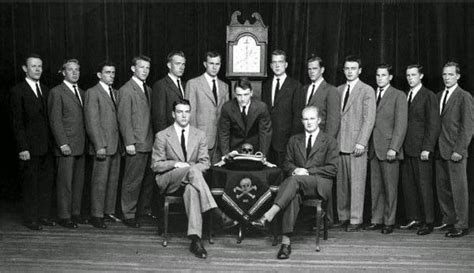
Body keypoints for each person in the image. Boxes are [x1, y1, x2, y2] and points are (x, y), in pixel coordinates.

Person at [151, 99, 237, 259]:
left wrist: (191, 170)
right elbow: (156, 165)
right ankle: (215, 211)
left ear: (190, 113)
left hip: (193, 182)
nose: (183, 115)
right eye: (179, 112)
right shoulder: (162, 135)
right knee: (191, 171)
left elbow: (205, 162)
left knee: (192, 189)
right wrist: (177, 164)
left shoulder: (199, 135)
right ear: (173, 114)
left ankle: (196, 240)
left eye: (186, 111)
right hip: (170, 180)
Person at [251, 106, 338, 259]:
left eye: (312, 118)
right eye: (305, 119)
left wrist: (308, 172)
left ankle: (269, 214)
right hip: (297, 184)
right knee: (293, 195)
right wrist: (295, 170)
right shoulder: (294, 140)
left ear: (319, 120)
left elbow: (332, 169)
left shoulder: (329, 140)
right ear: (301, 121)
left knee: (292, 182)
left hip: (319, 183)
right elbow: (287, 164)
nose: (309, 122)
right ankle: (285, 244)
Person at [10, 53, 56, 230]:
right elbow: (17, 123)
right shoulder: (18, 91)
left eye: (40, 66)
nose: (37, 69)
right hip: (29, 148)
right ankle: (31, 219)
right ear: (24, 69)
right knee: (31, 185)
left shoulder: (46, 90)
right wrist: (23, 147)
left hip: (47, 147)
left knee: (45, 184)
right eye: (33, 66)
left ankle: (43, 216)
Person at [365, 64, 407, 234]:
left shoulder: (398, 95)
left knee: (390, 188)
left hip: (389, 148)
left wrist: (394, 148)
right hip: (374, 148)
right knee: (376, 187)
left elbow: (401, 125)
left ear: (390, 77)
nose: (379, 78)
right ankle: (376, 219)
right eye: (377, 75)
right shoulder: (371, 94)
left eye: (383, 75)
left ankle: (389, 221)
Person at [336, 55, 376, 231]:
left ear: (359, 70)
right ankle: (343, 216)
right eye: (347, 68)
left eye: (353, 68)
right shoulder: (338, 90)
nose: (350, 71)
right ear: (344, 70)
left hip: (356, 145)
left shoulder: (366, 90)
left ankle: (355, 219)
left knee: (357, 183)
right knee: (342, 184)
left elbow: (369, 119)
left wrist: (362, 142)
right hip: (340, 143)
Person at [400, 64, 440, 235]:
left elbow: (433, 124)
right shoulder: (406, 95)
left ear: (421, 76)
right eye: (408, 75)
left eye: (413, 75)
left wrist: (427, 148)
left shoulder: (428, 95)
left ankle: (428, 221)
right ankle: (415, 218)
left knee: (424, 187)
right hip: (407, 148)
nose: (410, 78)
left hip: (421, 149)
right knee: (409, 187)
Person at [434, 61, 473, 238]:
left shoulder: (464, 96)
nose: (447, 77)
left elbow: (468, 127)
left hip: (455, 151)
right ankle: (449, 220)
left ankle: (461, 224)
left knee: (459, 190)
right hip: (440, 150)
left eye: (450, 74)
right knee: (444, 189)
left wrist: (460, 149)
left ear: (457, 76)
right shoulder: (439, 95)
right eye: (444, 74)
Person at [48, 59, 87, 229]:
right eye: (70, 70)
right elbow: (55, 120)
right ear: (63, 72)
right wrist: (62, 143)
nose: (74, 73)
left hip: (81, 144)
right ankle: (64, 216)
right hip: (66, 145)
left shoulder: (83, 92)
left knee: (78, 183)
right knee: (65, 183)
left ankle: (75, 213)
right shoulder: (57, 92)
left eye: (77, 70)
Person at [117, 55, 154, 228]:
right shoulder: (126, 90)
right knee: (132, 180)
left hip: (148, 142)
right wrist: (128, 142)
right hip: (136, 143)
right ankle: (128, 214)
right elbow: (124, 119)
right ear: (133, 68)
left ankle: (142, 211)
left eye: (147, 68)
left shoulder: (148, 89)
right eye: (141, 67)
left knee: (146, 180)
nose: (145, 71)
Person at [84, 61, 121, 229]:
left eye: (113, 73)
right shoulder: (93, 92)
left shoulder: (115, 92)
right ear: (99, 75)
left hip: (115, 145)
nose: (111, 76)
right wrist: (99, 145)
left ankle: (107, 211)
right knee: (99, 181)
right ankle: (96, 215)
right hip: (103, 145)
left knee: (112, 181)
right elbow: (92, 122)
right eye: (107, 73)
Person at [185, 51, 229, 164]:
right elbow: (190, 114)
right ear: (205, 64)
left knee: (216, 176)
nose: (214, 67)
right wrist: (193, 140)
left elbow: (226, 116)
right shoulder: (193, 84)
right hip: (201, 139)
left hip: (219, 141)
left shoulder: (224, 86)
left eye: (217, 64)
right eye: (211, 63)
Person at [261, 50, 301, 167]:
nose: (277, 65)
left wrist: (292, 143)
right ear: (270, 65)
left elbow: (297, 116)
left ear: (286, 64)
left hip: (286, 142)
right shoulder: (266, 85)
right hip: (267, 142)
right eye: (274, 62)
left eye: (280, 62)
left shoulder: (295, 86)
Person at [219, 78, 272, 156]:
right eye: (239, 95)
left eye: (246, 94)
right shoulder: (227, 108)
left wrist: (262, 155)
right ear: (234, 94)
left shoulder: (261, 107)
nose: (242, 99)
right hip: (234, 150)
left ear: (251, 93)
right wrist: (226, 155)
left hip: (255, 150)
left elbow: (265, 134)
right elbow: (224, 133)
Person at [294, 55, 340, 139]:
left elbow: (333, 123)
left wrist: (326, 144)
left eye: (315, 68)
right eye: (309, 69)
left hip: (321, 141)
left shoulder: (331, 90)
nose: (311, 72)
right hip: (304, 139)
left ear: (322, 70)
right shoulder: (304, 89)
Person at [151, 50, 186, 134]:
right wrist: (163, 139)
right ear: (169, 65)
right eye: (177, 64)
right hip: (169, 136)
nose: (181, 67)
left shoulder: (186, 85)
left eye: (183, 64)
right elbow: (159, 118)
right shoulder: (160, 85)